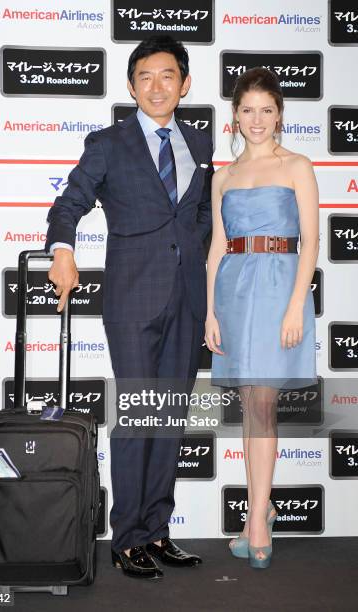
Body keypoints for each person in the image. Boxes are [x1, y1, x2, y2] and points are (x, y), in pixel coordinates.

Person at [45, 35, 214, 579]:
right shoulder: (108, 143)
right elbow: (68, 203)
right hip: (132, 300)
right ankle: (125, 539)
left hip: (190, 300)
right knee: (139, 418)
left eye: (168, 75)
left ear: (185, 84)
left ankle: (157, 532)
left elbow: (206, 225)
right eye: (146, 76)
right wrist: (63, 251)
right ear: (130, 85)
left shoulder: (201, 144)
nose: (157, 86)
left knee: (170, 421)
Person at [205, 67, 318, 569]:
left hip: (279, 289)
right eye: (248, 110)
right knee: (250, 404)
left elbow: (312, 242)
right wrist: (209, 309)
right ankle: (261, 510)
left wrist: (298, 303)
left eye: (266, 110)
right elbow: (216, 246)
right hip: (233, 288)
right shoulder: (222, 176)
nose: (257, 120)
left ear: (280, 116)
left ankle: (255, 520)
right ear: (235, 115)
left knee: (265, 404)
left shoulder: (297, 165)